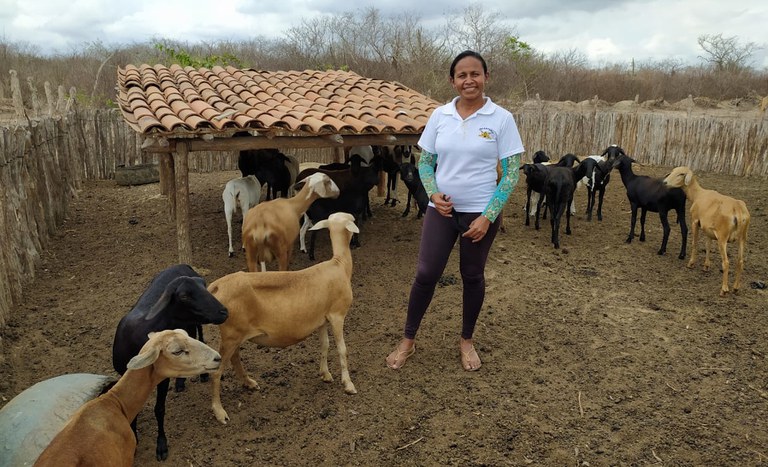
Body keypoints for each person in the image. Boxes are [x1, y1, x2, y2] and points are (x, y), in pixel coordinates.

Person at [386, 50, 524, 371]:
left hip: (480, 214)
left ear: (486, 77)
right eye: (461, 75)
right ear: (452, 81)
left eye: (475, 74)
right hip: (441, 212)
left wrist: (488, 216)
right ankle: (408, 339)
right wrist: (433, 192)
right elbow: (425, 162)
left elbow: (512, 171)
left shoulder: (501, 119)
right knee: (426, 274)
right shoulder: (439, 116)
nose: (469, 80)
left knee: (472, 276)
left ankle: (466, 341)